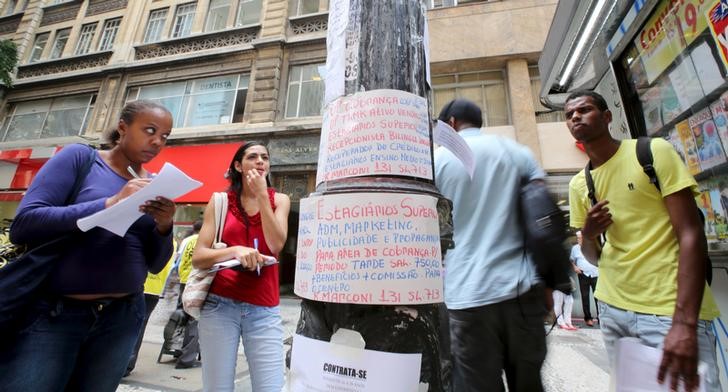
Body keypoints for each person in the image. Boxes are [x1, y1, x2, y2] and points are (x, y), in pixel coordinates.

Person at [0, 100, 176, 391]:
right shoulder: (81, 159)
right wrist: (110, 202)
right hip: (56, 316)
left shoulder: (155, 185)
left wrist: (164, 226)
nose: (157, 141)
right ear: (122, 128)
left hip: (121, 318)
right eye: (149, 130)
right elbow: (24, 225)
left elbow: (156, 263)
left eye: (165, 136)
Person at [565, 90, 721, 391]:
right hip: (613, 309)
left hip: (667, 308)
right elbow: (593, 257)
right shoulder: (579, 184)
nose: (575, 116)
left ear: (607, 117)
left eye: (584, 110)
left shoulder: (653, 153)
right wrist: (590, 232)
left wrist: (685, 324)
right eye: (569, 114)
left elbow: (690, 233)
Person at [434, 99, 547, 391]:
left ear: (451, 124)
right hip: (521, 290)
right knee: (529, 383)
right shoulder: (517, 152)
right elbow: (543, 215)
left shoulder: (438, 161)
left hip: (467, 296)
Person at [192, 141, 290, 392]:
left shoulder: (280, 200)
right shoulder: (220, 201)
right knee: (218, 387)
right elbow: (199, 256)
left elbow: (276, 244)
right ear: (238, 165)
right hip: (219, 305)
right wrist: (235, 250)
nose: (260, 161)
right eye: (252, 157)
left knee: (270, 387)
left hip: (263, 307)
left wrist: (261, 196)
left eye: (265, 158)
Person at [126, 238, 177, 376]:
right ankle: (128, 363)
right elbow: (171, 266)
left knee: (127, 326)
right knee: (140, 325)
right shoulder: (172, 241)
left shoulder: (145, 235)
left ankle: (124, 363)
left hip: (138, 285)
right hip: (154, 289)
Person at [174, 219, 202, 369]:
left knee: (181, 317)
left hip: (183, 280)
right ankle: (187, 358)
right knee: (194, 320)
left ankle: (176, 349)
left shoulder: (186, 240)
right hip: (196, 281)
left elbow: (178, 259)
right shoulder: (204, 240)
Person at [571, 231, 599, 327]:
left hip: (595, 274)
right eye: (577, 238)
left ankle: (600, 318)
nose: (578, 240)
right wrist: (575, 267)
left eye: (580, 238)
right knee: (585, 297)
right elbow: (571, 260)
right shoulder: (575, 248)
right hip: (583, 274)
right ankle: (588, 318)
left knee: (598, 297)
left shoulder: (593, 246)